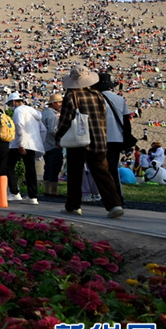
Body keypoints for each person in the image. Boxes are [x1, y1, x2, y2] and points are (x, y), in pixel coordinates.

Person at [56, 66, 123, 218]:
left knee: (75, 173)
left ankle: (73, 206)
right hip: (98, 138)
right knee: (102, 172)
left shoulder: (71, 96)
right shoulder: (98, 95)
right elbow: (102, 117)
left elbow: (65, 121)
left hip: (78, 140)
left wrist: (59, 138)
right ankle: (114, 204)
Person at [94, 73, 132, 204]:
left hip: (100, 137)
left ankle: (109, 197)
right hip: (116, 138)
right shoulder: (119, 99)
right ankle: (117, 196)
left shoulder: (95, 99)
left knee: (101, 169)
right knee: (113, 168)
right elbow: (126, 121)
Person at [5, 92, 45, 205]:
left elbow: (19, 126)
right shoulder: (34, 112)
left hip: (20, 143)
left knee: (8, 166)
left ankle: (14, 192)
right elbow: (43, 130)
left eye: (9, 104)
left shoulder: (18, 111)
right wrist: (38, 142)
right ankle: (33, 196)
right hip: (33, 143)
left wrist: (21, 144)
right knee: (30, 169)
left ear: (13, 102)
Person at [41, 93, 64, 196]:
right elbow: (53, 130)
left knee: (48, 168)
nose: (60, 105)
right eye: (59, 102)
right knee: (54, 169)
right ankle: (53, 191)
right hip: (53, 144)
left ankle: (47, 190)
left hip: (45, 144)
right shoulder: (52, 116)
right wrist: (60, 140)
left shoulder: (44, 113)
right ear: (53, 103)